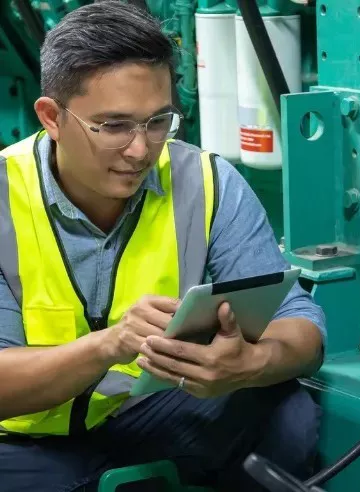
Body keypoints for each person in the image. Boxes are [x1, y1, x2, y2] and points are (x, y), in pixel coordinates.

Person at [0, 2, 326, 491]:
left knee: (286, 406)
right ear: (51, 116)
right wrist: (109, 344)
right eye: (113, 126)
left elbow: (301, 323)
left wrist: (248, 364)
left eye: (158, 121)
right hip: (23, 441)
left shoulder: (207, 183)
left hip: (146, 415)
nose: (140, 149)